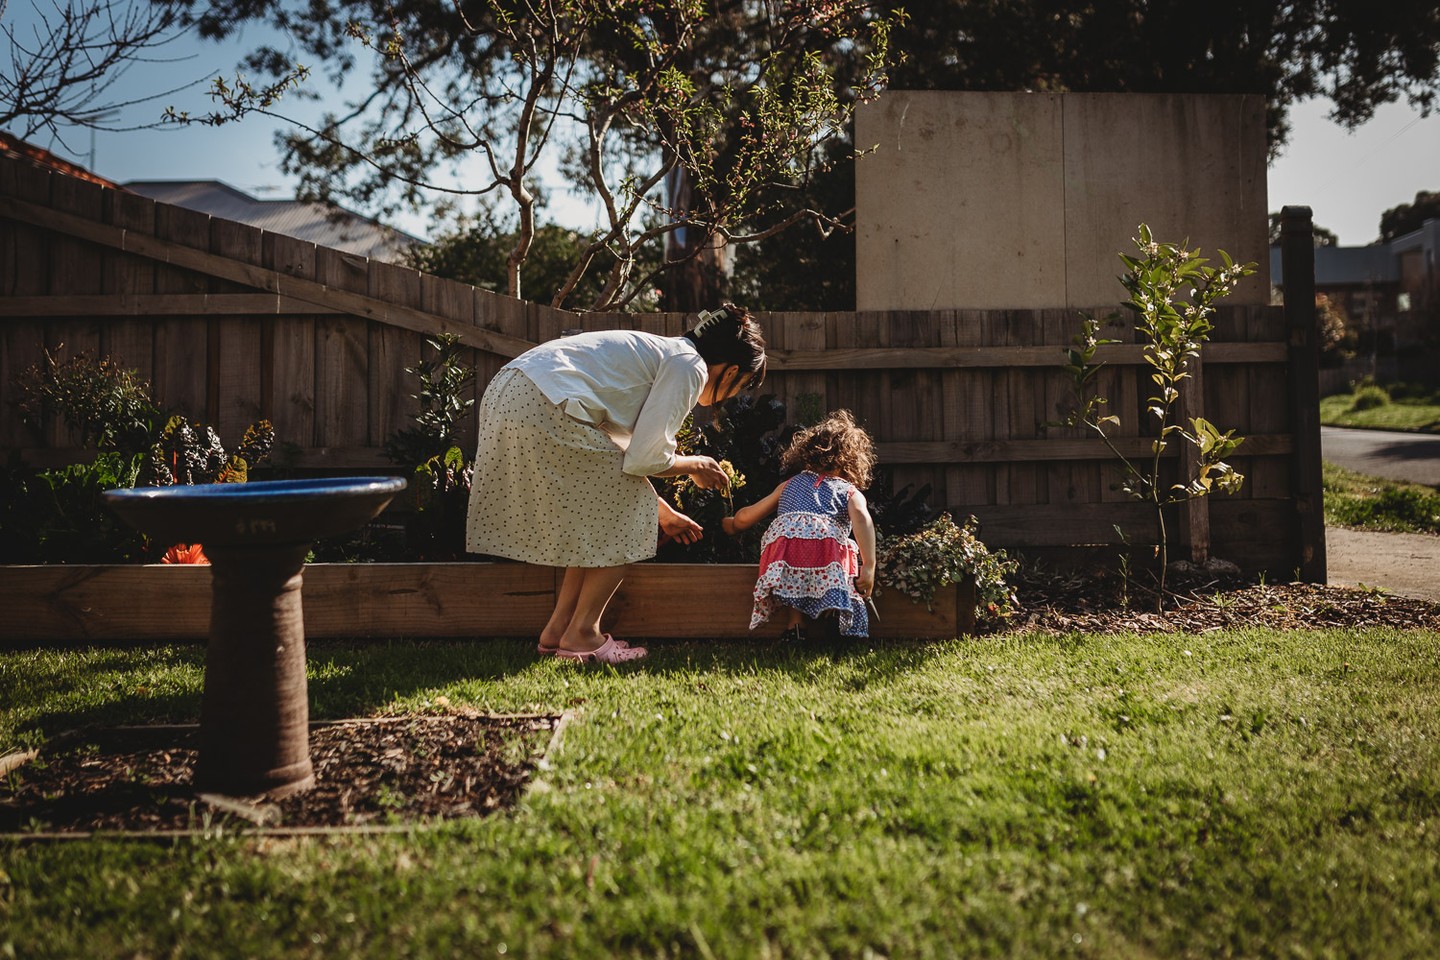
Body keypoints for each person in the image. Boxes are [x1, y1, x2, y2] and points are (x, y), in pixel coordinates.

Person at [466, 303, 766, 663]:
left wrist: (664, 512)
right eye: (741, 386)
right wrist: (696, 465)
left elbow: (618, 466)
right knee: (624, 520)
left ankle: (558, 630)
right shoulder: (689, 366)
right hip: (544, 399)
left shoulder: (662, 355)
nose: (732, 396)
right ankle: (582, 634)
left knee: (596, 517)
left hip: (512, 390)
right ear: (731, 371)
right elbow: (645, 459)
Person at [721, 410, 878, 640]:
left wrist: (730, 523)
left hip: (787, 553)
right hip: (826, 554)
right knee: (841, 554)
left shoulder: (789, 484)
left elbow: (746, 517)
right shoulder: (848, 491)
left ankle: (795, 626)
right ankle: (834, 614)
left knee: (794, 574)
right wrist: (869, 565)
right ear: (852, 461)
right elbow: (862, 520)